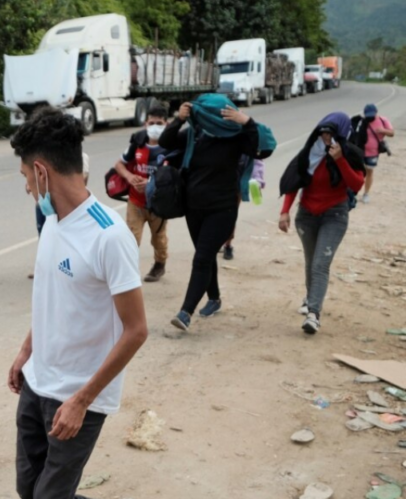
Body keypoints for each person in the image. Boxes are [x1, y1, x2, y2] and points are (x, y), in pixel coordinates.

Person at [7, 107, 148, 499]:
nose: (28, 187)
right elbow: (54, 297)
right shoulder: (53, 221)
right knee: (28, 493)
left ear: (41, 171)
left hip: (78, 395)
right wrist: (26, 351)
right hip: (38, 380)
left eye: (26, 178)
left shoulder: (109, 236)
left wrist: (82, 401)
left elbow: (137, 330)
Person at [159, 96, 261, 331]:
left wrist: (246, 121)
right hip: (194, 208)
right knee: (204, 256)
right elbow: (166, 142)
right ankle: (214, 299)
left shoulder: (235, 138)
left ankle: (185, 312)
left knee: (202, 258)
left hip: (222, 209)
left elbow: (256, 148)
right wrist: (178, 120)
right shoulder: (195, 136)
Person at [278, 113, 365, 334]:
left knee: (320, 264)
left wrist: (340, 160)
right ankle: (310, 298)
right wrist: (284, 212)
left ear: (341, 134)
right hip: (307, 215)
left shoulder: (350, 154)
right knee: (311, 262)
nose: (326, 138)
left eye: (331, 134)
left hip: (334, 215)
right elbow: (293, 181)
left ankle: (313, 314)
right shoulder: (310, 153)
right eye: (323, 133)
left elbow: (356, 184)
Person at [113, 103, 171, 282]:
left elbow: (174, 174)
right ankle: (127, 272)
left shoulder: (170, 146)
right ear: (146, 123)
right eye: (152, 122)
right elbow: (119, 164)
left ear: (166, 124)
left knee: (159, 239)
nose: (155, 127)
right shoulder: (137, 143)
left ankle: (159, 265)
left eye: (159, 123)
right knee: (130, 238)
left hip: (158, 204)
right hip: (135, 201)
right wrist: (130, 177)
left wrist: (152, 183)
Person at [359, 103, 395, 203]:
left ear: (376, 113)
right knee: (358, 172)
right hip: (360, 151)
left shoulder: (383, 120)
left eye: (372, 115)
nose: (370, 117)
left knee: (369, 172)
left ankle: (366, 193)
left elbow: (392, 133)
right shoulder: (362, 121)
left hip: (373, 153)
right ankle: (353, 192)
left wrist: (383, 130)